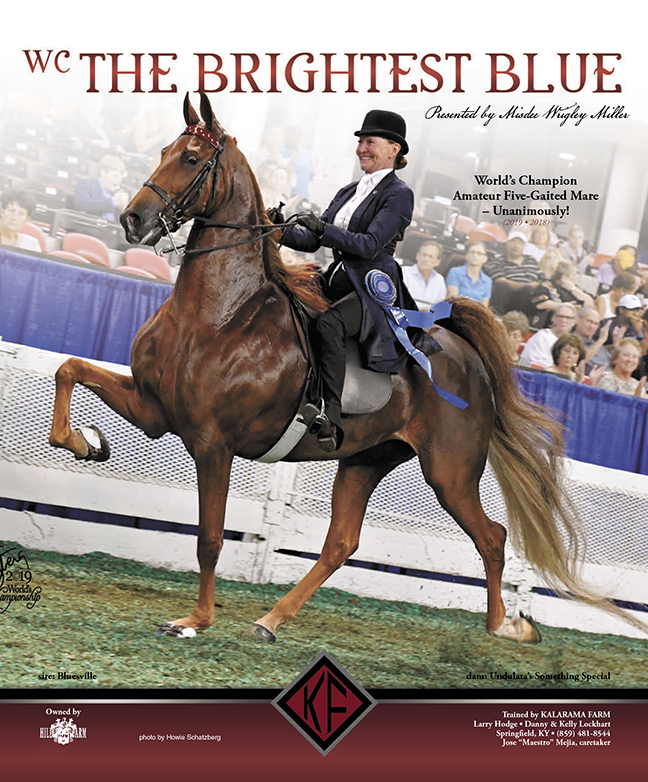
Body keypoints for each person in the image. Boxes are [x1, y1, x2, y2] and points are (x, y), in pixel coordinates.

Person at [281, 109, 415, 451]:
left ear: (394, 149)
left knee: (330, 324)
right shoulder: (348, 191)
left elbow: (369, 245)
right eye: (360, 142)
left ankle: (331, 414)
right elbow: (311, 241)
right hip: (338, 278)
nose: (361, 149)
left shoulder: (399, 194)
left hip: (372, 287)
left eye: (370, 142)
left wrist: (324, 229)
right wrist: (277, 228)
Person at [483, 231, 545, 315]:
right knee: (503, 286)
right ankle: (497, 316)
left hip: (527, 298)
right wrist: (524, 285)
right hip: (506, 296)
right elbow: (500, 280)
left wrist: (534, 285)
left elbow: (541, 279)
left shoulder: (531, 260)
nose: (516, 246)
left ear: (524, 246)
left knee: (529, 290)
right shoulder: (498, 260)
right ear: (507, 244)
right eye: (513, 242)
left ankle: (523, 318)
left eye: (520, 243)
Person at [528, 261, 594, 329]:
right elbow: (541, 304)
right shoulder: (547, 285)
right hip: (551, 325)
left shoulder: (575, 288)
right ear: (564, 276)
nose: (576, 278)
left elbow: (590, 304)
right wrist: (569, 307)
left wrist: (573, 289)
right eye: (574, 275)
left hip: (574, 327)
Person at [74, 154, 130, 221]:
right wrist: (113, 202)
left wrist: (124, 210)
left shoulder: (120, 193)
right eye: (115, 176)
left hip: (113, 227)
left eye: (121, 178)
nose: (119, 181)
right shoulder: (86, 184)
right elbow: (82, 205)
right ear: (103, 172)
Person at [520, 303, 577, 368]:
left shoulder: (571, 342)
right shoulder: (542, 337)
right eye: (560, 316)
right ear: (554, 318)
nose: (563, 320)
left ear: (574, 322)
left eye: (568, 318)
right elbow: (536, 365)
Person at [402, 240, 447, 310]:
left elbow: (440, 307)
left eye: (431, 256)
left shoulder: (439, 280)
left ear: (437, 262)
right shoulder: (404, 272)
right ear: (417, 256)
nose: (426, 259)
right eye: (424, 255)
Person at [445, 241, 492, 306]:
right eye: (472, 252)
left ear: (485, 259)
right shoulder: (455, 272)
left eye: (479, 253)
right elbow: (453, 300)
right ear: (466, 255)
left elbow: (484, 306)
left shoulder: (487, 281)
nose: (475, 255)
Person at [574, 306, 610, 375]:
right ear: (578, 319)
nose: (592, 326)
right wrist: (601, 340)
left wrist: (617, 343)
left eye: (595, 324)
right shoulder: (571, 340)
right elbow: (579, 361)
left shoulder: (597, 344)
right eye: (589, 321)